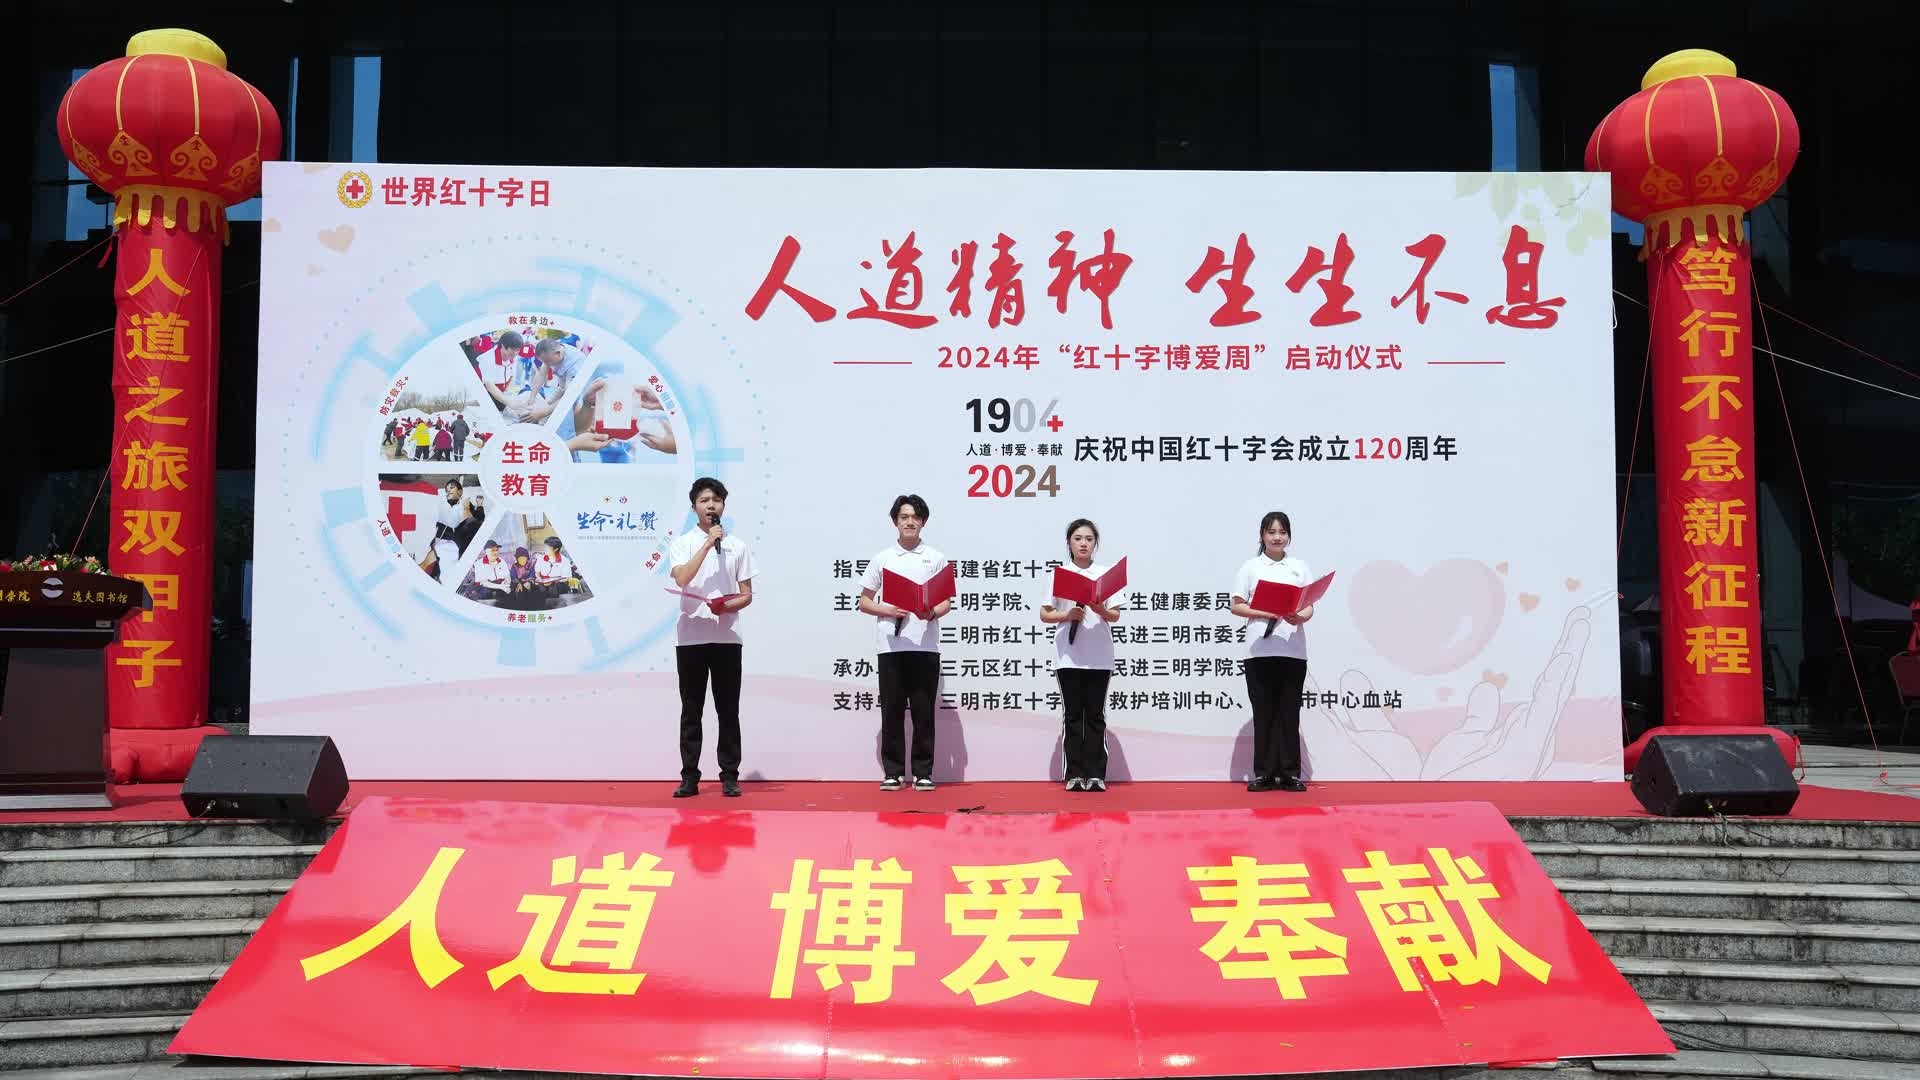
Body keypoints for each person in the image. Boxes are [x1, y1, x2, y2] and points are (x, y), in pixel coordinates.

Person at [666, 477, 756, 798]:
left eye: (716, 500)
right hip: (691, 637)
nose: (711, 505)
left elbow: (747, 594)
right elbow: (682, 578)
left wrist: (726, 606)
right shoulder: (682, 543)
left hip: (727, 637)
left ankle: (729, 775)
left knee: (727, 709)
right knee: (691, 710)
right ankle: (689, 777)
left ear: (723, 506)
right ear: (694, 507)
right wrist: (706, 545)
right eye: (704, 500)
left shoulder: (738, 546)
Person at [858, 494, 951, 791]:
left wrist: (930, 612)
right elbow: (864, 601)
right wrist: (888, 609)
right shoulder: (883, 558)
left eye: (915, 517)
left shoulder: (935, 557)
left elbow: (946, 601)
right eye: (904, 517)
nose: (910, 522)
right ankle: (894, 772)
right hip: (891, 645)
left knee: (924, 712)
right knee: (892, 710)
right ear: (895, 522)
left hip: (925, 645)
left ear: (923, 522)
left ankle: (923, 772)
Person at [1229, 510, 1315, 793]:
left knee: (1289, 712)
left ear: (1289, 536)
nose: (1277, 537)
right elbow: (1236, 605)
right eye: (1271, 532)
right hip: (1259, 651)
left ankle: (1290, 773)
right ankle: (1264, 773)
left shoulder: (1299, 567)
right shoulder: (1251, 567)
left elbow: (1309, 606)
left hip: (1293, 650)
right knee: (1264, 712)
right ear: (1262, 535)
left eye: (1282, 532)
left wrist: (1298, 617)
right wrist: (1265, 611)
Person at [1039, 519, 1121, 791]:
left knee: (1095, 715)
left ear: (1095, 543)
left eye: (1089, 538)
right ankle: (1074, 773)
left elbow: (1115, 615)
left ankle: (1096, 774)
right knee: (1073, 715)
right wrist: (1067, 614)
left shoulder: (1105, 574)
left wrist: (1100, 610)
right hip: (1068, 655)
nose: (1083, 543)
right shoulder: (1059, 574)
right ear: (1069, 543)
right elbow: (1045, 613)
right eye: (1078, 538)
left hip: (1099, 655)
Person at [534, 535, 574, 599]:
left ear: (556, 549)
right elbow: (537, 572)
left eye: (548, 548)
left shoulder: (564, 560)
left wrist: (553, 582)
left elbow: (566, 578)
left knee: (553, 588)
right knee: (539, 590)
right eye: (545, 547)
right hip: (543, 584)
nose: (545, 549)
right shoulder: (540, 558)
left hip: (558, 585)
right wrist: (539, 579)